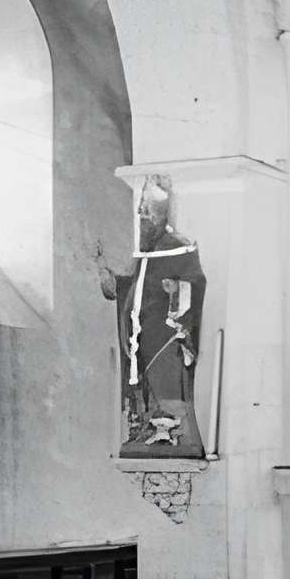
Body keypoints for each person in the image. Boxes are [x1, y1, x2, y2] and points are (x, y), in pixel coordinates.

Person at [100, 177, 207, 456]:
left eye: (148, 212)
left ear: (163, 214)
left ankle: (173, 432)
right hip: (140, 335)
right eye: (141, 212)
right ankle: (147, 429)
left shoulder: (180, 246)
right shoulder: (146, 252)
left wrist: (176, 290)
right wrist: (117, 284)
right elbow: (137, 288)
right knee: (143, 383)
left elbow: (195, 284)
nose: (143, 218)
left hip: (166, 334)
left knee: (166, 380)